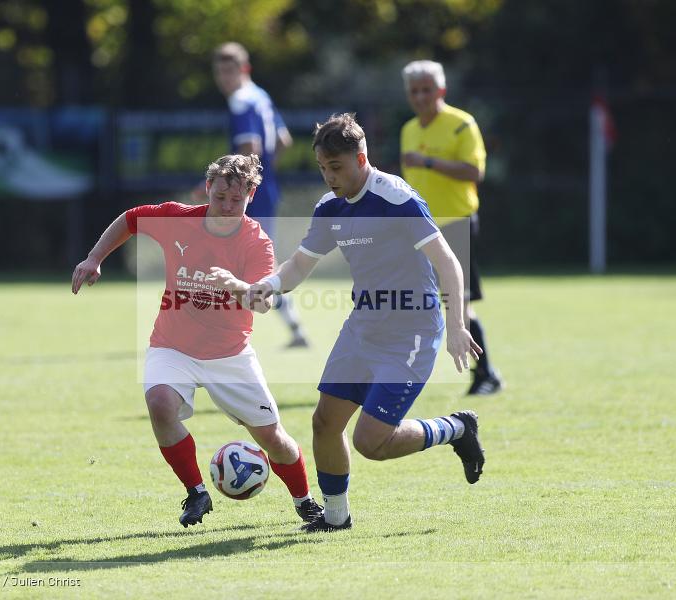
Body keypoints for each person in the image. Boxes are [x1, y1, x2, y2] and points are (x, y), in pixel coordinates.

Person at [236, 114, 486, 532]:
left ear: (361, 159)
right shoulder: (330, 208)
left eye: (336, 167)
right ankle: (336, 517)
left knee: (371, 443)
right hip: (363, 327)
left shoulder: (396, 199)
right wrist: (271, 285)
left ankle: (456, 428)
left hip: (412, 331)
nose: (329, 177)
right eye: (322, 168)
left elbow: (447, 261)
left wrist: (457, 324)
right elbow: (301, 263)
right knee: (324, 423)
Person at [72, 154, 323, 528]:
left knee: (273, 439)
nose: (226, 206)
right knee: (159, 404)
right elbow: (130, 220)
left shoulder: (256, 242)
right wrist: (94, 257)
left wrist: (238, 287)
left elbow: (265, 302)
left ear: (251, 196)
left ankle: (305, 501)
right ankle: (196, 493)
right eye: (220, 196)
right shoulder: (178, 219)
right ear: (208, 188)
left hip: (230, 354)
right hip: (172, 345)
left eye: (236, 200)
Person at [400, 60, 503, 395]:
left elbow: (475, 172)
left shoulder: (461, 125)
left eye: (426, 90)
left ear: (441, 90)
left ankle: (486, 374)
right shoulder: (409, 130)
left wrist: (429, 162)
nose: (420, 97)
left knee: (459, 303)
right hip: (421, 229)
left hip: (457, 224)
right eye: (414, 91)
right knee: (414, 302)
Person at [210, 41, 309, 348]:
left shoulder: (241, 101)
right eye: (220, 72)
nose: (225, 78)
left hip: (246, 195)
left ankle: (223, 331)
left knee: (234, 258)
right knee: (254, 260)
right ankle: (293, 328)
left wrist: (231, 185)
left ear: (244, 69)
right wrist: (264, 174)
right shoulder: (260, 95)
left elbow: (249, 148)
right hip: (263, 190)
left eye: (230, 71)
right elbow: (283, 139)